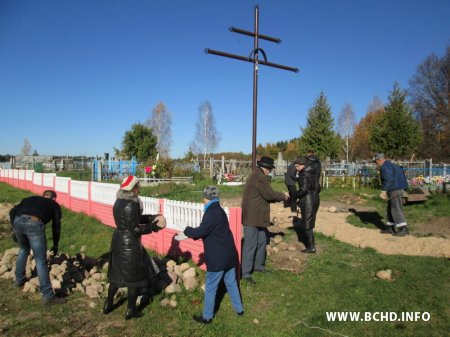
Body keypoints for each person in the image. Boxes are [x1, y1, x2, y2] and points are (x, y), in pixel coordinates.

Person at [176, 186, 244, 324]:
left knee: (211, 287)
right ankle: (239, 309)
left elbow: (201, 231)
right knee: (231, 283)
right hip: (229, 255)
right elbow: (209, 231)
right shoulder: (219, 210)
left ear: (205, 198)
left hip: (218, 258)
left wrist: (186, 230)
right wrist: (188, 233)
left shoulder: (211, 212)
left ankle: (207, 317)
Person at [103, 175, 166, 320]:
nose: (140, 188)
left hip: (119, 240)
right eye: (139, 185)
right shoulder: (131, 204)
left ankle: (108, 304)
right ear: (134, 188)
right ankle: (130, 310)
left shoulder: (119, 201)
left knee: (116, 276)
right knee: (134, 279)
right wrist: (153, 227)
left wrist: (150, 217)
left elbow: (131, 220)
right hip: (129, 245)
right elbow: (135, 229)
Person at [9, 190, 66, 305]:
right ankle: (48, 296)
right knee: (40, 259)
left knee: (24, 249)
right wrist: (55, 244)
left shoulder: (29, 198)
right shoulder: (54, 205)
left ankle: (19, 280)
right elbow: (56, 226)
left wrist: (14, 229)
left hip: (18, 220)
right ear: (54, 198)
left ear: (43, 195)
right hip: (34, 222)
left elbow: (12, 211)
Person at [241, 156, 289, 284]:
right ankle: (245, 273)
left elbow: (267, 195)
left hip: (257, 216)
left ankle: (258, 266)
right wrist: (283, 196)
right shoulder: (259, 177)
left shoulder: (257, 175)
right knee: (250, 245)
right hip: (252, 217)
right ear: (265, 168)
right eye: (270, 169)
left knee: (262, 240)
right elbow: (269, 194)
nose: (270, 171)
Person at [374, 153, 409, 236]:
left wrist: (383, 190)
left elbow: (388, 179)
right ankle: (390, 227)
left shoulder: (385, 167)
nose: (376, 164)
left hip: (394, 190)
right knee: (390, 208)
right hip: (397, 189)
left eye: (376, 162)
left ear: (379, 160)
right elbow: (403, 178)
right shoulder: (393, 165)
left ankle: (403, 228)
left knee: (396, 209)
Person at [294, 157, 319, 253]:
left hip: (308, 200)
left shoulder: (304, 174)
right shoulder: (313, 172)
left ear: (303, 165)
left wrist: (295, 194)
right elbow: (318, 187)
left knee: (307, 224)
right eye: (296, 166)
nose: (296, 168)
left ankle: (311, 247)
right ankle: (310, 244)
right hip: (314, 198)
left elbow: (303, 189)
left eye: (298, 166)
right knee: (309, 222)